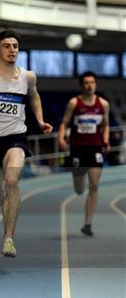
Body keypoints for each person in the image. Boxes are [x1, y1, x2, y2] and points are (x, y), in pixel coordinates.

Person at [0, 29, 52, 257]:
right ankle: (2, 203)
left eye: (15, 46)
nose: (12, 50)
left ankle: (8, 238)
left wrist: (40, 120)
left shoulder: (28, 77)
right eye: (7, 46)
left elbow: (34, 96)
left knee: (12, 180)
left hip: (15, 138)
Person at [58, 72, 110, 237]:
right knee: (79, 190)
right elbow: (64, 122)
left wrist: (106, 140)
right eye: (86, 83)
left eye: (92, 82)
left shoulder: (103, 104)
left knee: (94, 185)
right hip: (77, 149)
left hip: (95, 148)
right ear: (82, 85)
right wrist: (61, 139)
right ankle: (78, 180)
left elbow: (106, 125)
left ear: (95, 84)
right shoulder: (74, 103)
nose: (90, 85)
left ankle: (87, 224)